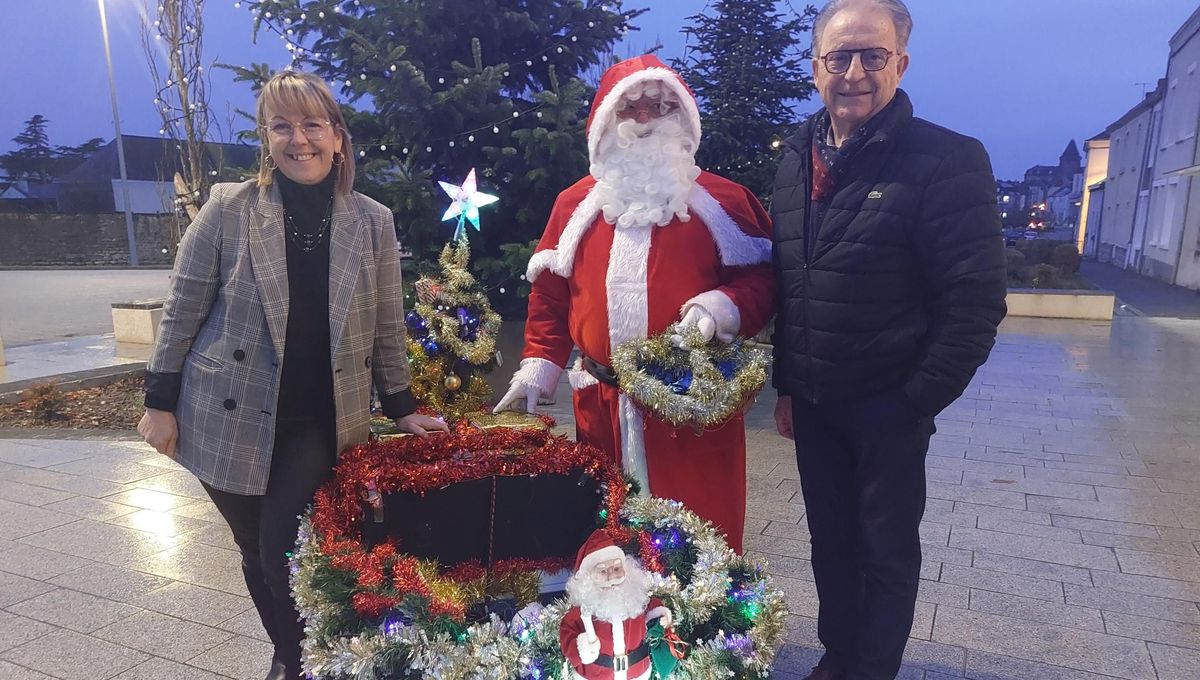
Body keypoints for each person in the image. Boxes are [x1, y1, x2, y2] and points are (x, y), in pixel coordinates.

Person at [136, 70, 446, 680]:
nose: (297, 139)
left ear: (337, 137)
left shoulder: (371, 220)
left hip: (317, 421)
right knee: (252, 548)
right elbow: (183, 308)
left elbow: (387, 322)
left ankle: (308, 660)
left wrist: (401, 402)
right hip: (224, 414)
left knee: (284, 551)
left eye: (311, 125)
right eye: (281, 125)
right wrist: (159, 401)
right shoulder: (230, 209)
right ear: (266, 137)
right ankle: (289, 655)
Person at [770, 1, 1007, 679]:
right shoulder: (794, 154)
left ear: (900, 63)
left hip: (888, 406)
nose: (854, 72)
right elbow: (793, 280)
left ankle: (871, 669)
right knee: (830, 546)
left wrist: (913, 401)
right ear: (816, 67)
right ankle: (838, 655)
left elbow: (975, 302)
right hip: (815, 403)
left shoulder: (946, 159)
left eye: (872, 55)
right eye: (838, 56)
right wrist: (789, 384)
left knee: (885, 551)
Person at [492, 55, 774, 553]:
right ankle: (608, 628)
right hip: (599, 409)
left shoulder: (723, 202)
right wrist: (538, 368)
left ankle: (704, 628)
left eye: (660, 107)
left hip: (691, 409)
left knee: (698, 538)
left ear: (683, 117)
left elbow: (765, 282)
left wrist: (721, 306)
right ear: (606, 120)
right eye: (630, 108)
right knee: (605, 539)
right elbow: (551, 295)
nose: (644, 119)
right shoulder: (574, 204)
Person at [560, 530, 673, 680]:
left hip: (637, 673)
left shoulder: (635, 599)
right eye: (603, 571)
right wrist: (580, 647)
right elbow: (567, 633)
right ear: (587, 578)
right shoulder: (582, 611)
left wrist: (660, 615)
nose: (612, 576)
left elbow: (652, 607)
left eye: (616, 568)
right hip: (597, 675)